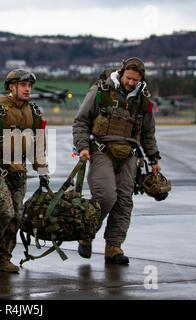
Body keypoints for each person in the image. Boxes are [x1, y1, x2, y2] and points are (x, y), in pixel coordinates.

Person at [73, 57, 161, 265]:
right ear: (122, 73)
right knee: (105, 196)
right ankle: (87, 233)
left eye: (135, 80)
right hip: (102, 150)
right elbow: (81, 120)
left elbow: (148, 132)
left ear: (141, 79)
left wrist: (154, 158)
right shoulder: (101, 91)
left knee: (123, 201)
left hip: (130, 153)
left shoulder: (143, 100)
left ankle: (114, 247)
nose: (131, 82)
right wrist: (83, 146)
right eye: (128, 78)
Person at [0, 69, 49, 273]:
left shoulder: (34, 113)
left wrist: (43, 173)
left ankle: (3, 258)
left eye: (30, 85)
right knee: (5, 212)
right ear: (12, 87)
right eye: (23, 85)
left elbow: (38, 146)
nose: (28, 89)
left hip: (19, 171)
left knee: (17, 216)